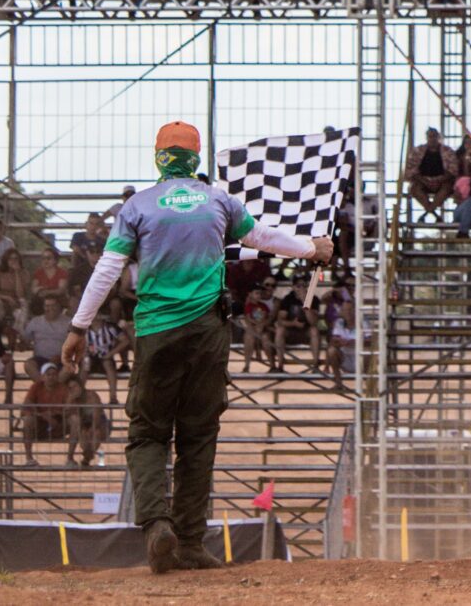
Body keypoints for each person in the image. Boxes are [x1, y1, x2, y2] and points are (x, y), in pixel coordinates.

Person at [65, 121, 331, 574]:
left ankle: (156, 526)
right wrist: (312, 247)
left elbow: (108, 269)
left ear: (159, 158)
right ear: (196, 158)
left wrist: (78, 326)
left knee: (148, 433)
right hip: (209, 333)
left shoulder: (137, 206)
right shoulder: (217, 201)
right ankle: (189, 541)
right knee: (198, 435)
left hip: (156, 332)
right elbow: (262, 238)